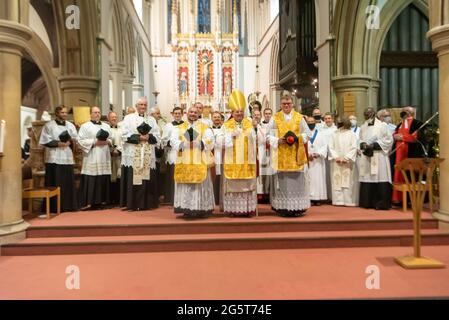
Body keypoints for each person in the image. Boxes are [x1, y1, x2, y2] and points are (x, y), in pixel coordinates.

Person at [267, 93, 311, 217]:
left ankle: (297, 207)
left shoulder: (299, 117)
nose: (286, 105)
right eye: (284, 104)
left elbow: (308, 134)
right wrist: (277, 140)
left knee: (296, 183)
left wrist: (298, 138)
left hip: (296, 155)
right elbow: (267, 135)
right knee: (283, 183)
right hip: (281, 155)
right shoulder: (275, 118)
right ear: (280, 104)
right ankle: (283, 208)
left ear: (292, 104)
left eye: (288, 103)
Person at [221, 91, 262, 217]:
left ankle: (248, 209)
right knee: (233, 186)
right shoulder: (226, 125)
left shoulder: (250, 123)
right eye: (236, 111)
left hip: (247, 160)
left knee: (247, 185)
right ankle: (234, 210)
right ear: (232, 113)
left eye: (241, 111)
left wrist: (255, 129)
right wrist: (230, 136)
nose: (239, 113)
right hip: (232, 160)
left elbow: (260, 139)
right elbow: (219, 141)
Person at [170, 105, 215, 218]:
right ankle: (187, 209)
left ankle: (201, 208)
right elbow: (173, 140)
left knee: (201, 185)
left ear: (198, 113)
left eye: (195, 112)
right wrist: (183, 144)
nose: (193, 114)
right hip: (184, 160)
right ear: (187, 113)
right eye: (191, 112)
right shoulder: (179, 127)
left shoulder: (205, 127)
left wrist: (200, 143)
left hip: (199, 161)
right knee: (186, 185)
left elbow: (210, 140)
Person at [120, 97, 161, 211]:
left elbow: (157, 136)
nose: (143, 107)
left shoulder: (151, 120)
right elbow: (124, 134)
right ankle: (133, 203)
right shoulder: (128, 118)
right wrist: (139, 137)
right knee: (134, 177)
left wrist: (148, 137)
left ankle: (146, 203)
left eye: (145, 105)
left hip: (147, 152)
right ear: (136, 105)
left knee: (146, 177)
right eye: (141, 104)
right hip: (134, 153)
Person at [39, 105, 78, 213]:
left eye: (66, 113)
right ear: (57, 113)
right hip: (54, 157)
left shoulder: (70, 125)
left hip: (66, 156)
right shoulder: (49, 125)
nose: (65, 114)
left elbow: (75, 138)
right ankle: (54, 207)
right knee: (55, 181)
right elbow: (44, 140)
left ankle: (68, 205)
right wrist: (58, 143)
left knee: (67, 182)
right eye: (62, 113)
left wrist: (70, 141)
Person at [358, 107, 394, 210]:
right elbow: (359, 139)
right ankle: (367, 202)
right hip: (367, 156)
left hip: (379, 156)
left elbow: (389, 141)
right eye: (365, 114)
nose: (367, 116)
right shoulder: (363, 126)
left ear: (374, 114)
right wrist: (363, 144)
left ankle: (381, 203)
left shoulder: (382, 126)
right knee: (367, 177)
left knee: (380, 177)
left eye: (369, 114)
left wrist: (375, 145)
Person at [78, 107, 112, 210]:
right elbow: (80, 141)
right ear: (90, 114)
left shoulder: (106, 126)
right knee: (92, 178)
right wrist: (94, 142)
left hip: (104, 155)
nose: (97, 114)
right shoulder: (85, 126)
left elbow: (111, 138)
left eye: (98, 112)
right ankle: (89, 202)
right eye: (95, 112)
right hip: (92, 155)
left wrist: (108, 142)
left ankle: (101, 201)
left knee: (102, 177)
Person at [392, 106, 426, 205]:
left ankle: (410, 199)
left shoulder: (417, 123)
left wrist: (403, 137)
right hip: (398, 152)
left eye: (406, 111)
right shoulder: (400, 124)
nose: (404, 112)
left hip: (410, 152)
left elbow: (417, 137)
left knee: (409, 174)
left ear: (411, 113)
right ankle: (398, 198)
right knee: (398, 173)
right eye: (403, 111)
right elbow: (395, 133)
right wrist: (395, 136)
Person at [328, 117, 359, 207]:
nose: (340, 125)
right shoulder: (334, 134)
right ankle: (338, 200)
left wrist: (347, 158)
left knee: (348, 181)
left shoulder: (351, 134)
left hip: (348, 162)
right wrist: (336, 157)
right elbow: (330, 147)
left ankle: (348, 200)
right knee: (337, 179)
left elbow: (354, 147)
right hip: (336, 161)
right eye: (339, 123)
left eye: (342, 123)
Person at [161, 107, 184, 206]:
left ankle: (182, 198)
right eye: (176, 113)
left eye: (179, 113)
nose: (177, 115)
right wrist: (170, 143)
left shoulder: (186, 125)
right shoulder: (168, 126)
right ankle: (171, 198)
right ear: (173, 114)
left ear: (182, 114)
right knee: (172, 176)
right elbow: (163, 140)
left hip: (183, 153)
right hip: (172, 153)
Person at [306, 116, 328, 206]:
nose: (310, 123)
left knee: (318, 179)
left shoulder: (321, 134)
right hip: (307, 160)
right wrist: (307, 154)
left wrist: (318, 154)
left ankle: (318, 198)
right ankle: (308, 198)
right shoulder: (304, 134)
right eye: (309, 121)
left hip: (318, 160)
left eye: (312, 121)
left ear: (315, 122)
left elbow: (325, 146)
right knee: (308, 179)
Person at [320, 112, 338, 202]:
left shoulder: (336, 130)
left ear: (333, 119)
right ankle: (325, 196)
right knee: (325, 176)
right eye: (326, 119)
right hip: (324, 155)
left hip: (333, 155)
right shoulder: (321, 130)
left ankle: (333, 196)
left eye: (329, 118)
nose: (327, 120)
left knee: (333, 176)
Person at [107, 111, 122, 206]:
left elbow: (124, 142)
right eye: (112, 117)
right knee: (110, 178)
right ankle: (110, 199)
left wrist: (119, 150)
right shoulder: (106, 128)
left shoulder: (122, 129)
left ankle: (118, 199)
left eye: (115, 117)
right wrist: (111, 151)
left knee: (119, 176)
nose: (114, 119)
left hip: (119, 156)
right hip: (109, 156)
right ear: (108, 118)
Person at [211, 111, 224, 206]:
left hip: (222, 155)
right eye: (215, 117)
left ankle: (221, 199)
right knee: (213, 176)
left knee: (221, 177)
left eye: (218, 117)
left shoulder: (225, 129)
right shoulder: (208, 129)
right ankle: (213, 198)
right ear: (212, 118)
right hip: (212, 155)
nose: (216, 119)